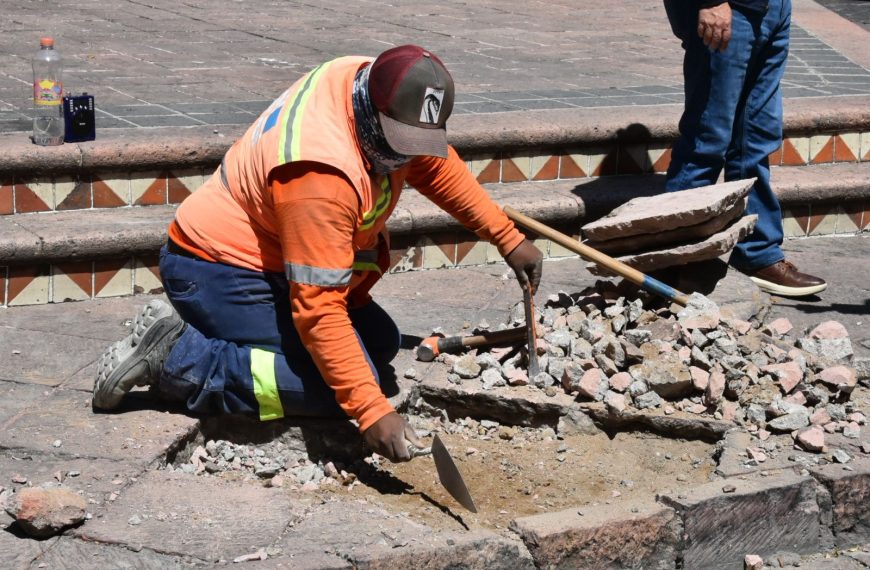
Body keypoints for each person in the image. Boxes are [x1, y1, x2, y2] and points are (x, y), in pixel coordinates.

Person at [92, 45, 543, 463]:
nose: (406, 158)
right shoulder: (319, 173)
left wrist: (507, 237)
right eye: (400, 145)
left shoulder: (365, 81)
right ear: (374, 112)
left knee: (380, 344)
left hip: (272, 262)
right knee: (337, 392)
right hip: (217, 268)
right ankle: (179, 357)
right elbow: (319, 309)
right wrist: (369, 412)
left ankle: (200, 341)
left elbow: (433, 163)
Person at [663, 0, 827, 297]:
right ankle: (679, 263)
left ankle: (757, 253)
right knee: (706, 139)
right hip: (729, 7)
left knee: (755, 137)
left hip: (770, 8)